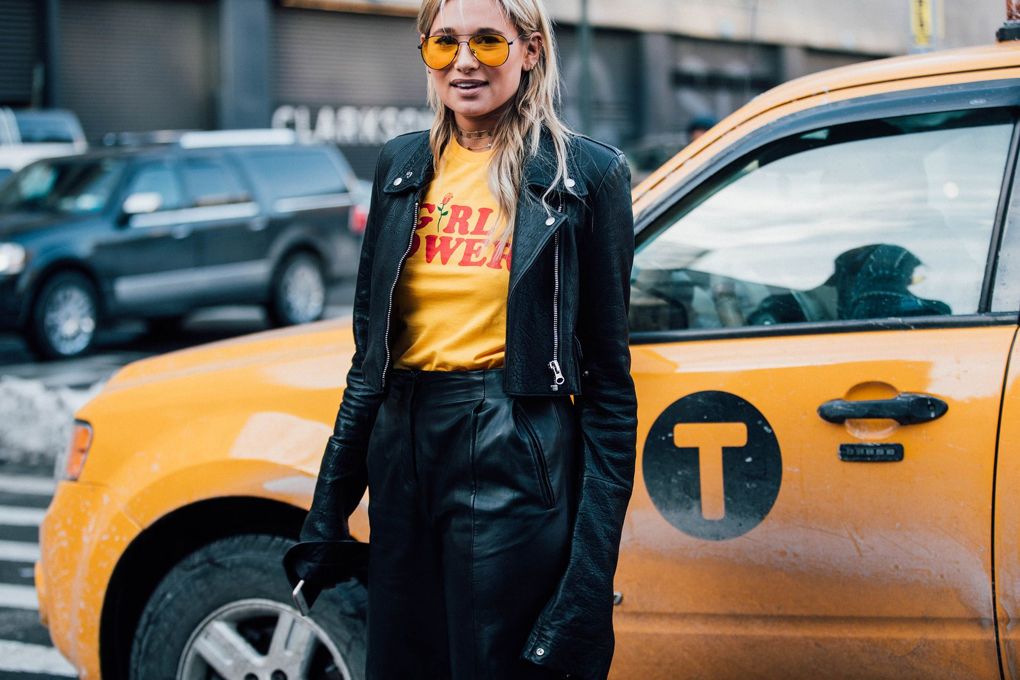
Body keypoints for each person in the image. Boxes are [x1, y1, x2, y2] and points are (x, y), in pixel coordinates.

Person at [295, 0, 637, 678]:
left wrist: (591, 573)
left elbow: (609, 389)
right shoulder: (400, 166)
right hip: (402, 451)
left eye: (487, 40)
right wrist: (327, 512)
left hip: (513, 450)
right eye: (444, 42)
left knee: (492, 663)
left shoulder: (586, 177)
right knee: (400, 660)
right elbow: (368, 363)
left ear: (531, 49)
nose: (464, 62)